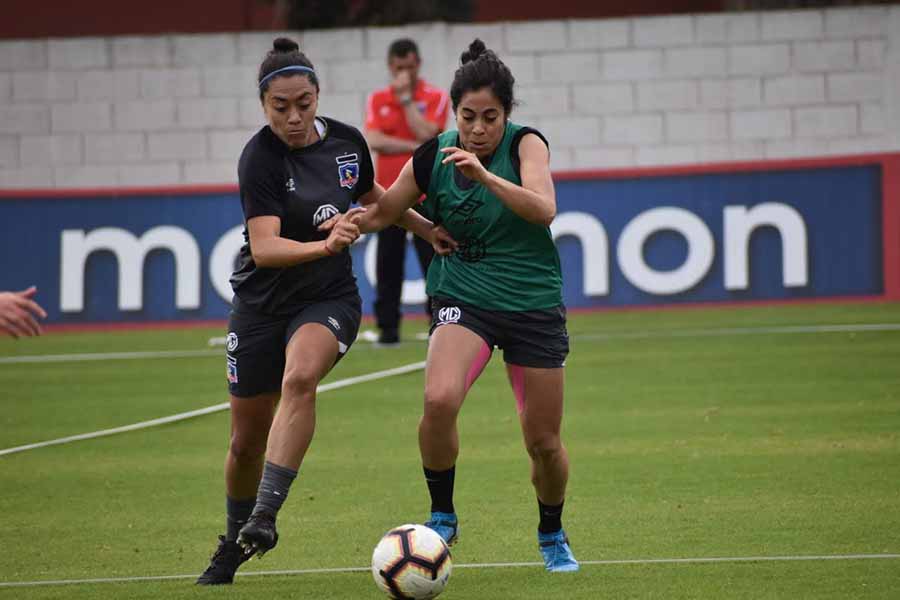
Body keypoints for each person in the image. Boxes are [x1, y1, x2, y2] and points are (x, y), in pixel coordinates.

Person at [196, 37, 451, 586]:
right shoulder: (259, 158)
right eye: (279, 107)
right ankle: (235, 539)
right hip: (261, 303)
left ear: (318, 95)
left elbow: (379, 199)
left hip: (327, 298)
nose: (293, 116)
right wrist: (325, 244)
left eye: (303, 103)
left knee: (301, 377)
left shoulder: (347, 144)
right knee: (244, 442)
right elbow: (264, 247)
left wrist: (427, 227)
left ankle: (265, 516)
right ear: (263, 105)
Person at [354, 39, 579, 572]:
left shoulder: (527, 146)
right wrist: (405, 225)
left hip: (531, 301)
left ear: (507, 113)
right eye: (468, 117)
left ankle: (551, 532)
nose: (478, 129)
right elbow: (385, 210)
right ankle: (442, 515)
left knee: (544, 443)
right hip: (463, 293)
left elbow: (544, 210)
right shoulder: (433, 153)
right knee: (439, 399)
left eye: (490, 117)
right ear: (453, 113)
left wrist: (485, 175)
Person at [363, 38, 449, 346]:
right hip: (389, 195)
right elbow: (374, 139)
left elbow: (429, 133)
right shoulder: (377, 99)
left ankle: (438, 322)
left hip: (427, 194)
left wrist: (406, 101)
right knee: (388, 265)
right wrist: (416, 148)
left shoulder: (435, 97)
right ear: (390, 67)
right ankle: (388, 330)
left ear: (418, 65)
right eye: (399, 68)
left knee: (433, 260)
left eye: (410, 67)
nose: (405, 74)